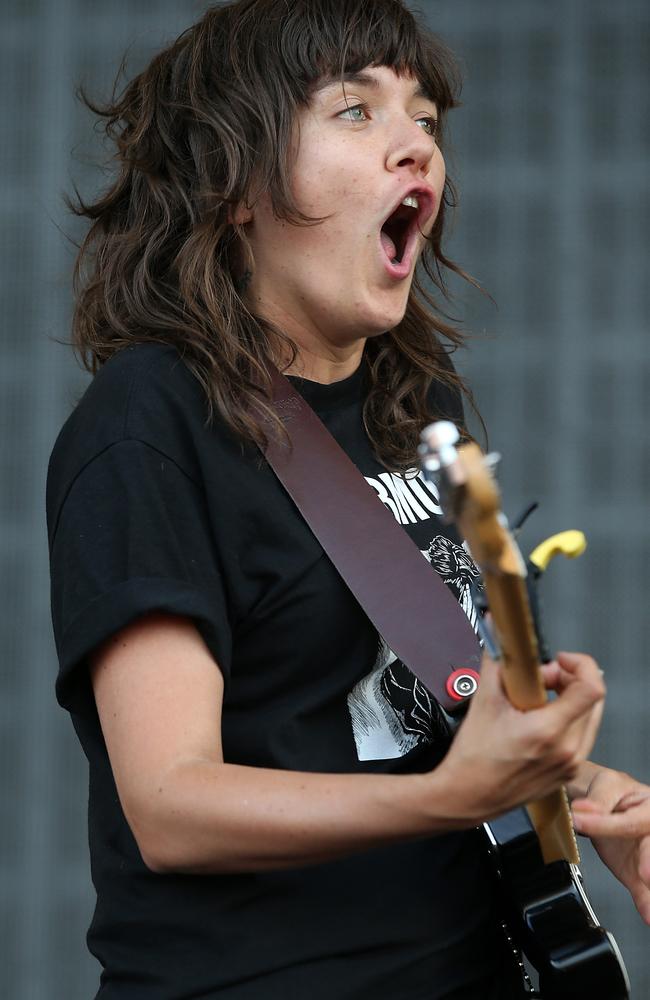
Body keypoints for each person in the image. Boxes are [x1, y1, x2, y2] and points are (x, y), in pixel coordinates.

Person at [47, 1, 650, 997]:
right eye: (355, 112)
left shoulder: (423, 403)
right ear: (236, 184)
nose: (414, 144)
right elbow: (170, 803)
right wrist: (451, 795)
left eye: (423, 118)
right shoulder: (149, 421)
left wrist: (591, 789)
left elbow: (436, 725)